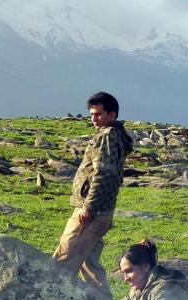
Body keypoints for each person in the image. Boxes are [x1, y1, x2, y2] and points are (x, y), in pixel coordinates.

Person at [53, 92, 133, 298]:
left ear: (112, 115)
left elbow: (102, 174)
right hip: (102, 209)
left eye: (98, 114)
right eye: (91, 114)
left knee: (64, 259)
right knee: (89, 264)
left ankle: (49, 294)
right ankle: (102, 297)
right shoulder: (115, 135)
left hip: (92, 210)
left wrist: (89, 206)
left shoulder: (107, 136)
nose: (93, 119)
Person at [120, 240, 188, 300]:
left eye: (129, 271)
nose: (126, 278)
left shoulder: (164, 290)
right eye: (123, 273)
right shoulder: (140, 286)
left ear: (145, 267)